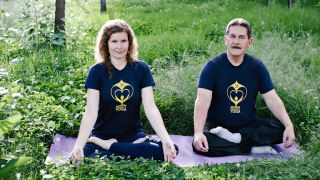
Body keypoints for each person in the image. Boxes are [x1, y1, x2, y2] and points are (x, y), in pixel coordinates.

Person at [71, 19, 178, 162]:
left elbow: (151, 108)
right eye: (114, 41)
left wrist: (165, 139)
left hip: (134, 136)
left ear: (130, 43)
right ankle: (125, 150)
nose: (119, 46)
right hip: (103, 135)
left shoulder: (141, 69)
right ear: (106, 44)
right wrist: (78, 145)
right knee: (89, 157)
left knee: (171, 149)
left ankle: (113, 147)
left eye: (123, 41)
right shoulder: (96, 72)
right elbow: (90, 112)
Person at [192, 18, 296, 156]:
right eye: (232, 36)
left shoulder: (257, 67)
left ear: (249, 42)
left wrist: (289, 126)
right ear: (225, 39)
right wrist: (198, 133)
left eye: (241, 37)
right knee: (202, 143)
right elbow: (202, 101)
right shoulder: (212, 67)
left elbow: (272, 99)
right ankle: (252, 148)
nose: (236, 41)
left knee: (282, 129)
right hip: (217, 126)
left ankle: (235, 140)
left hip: (248, 125)